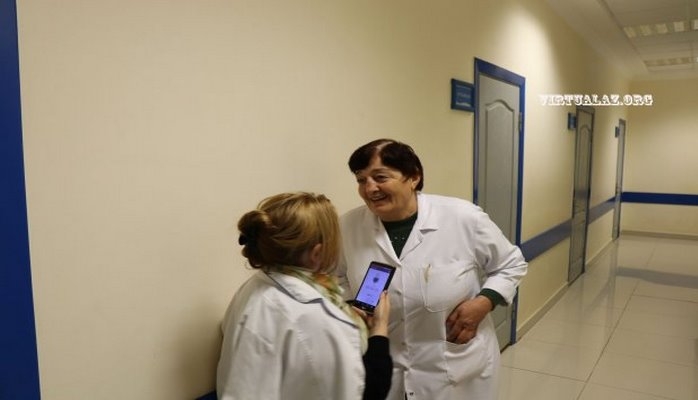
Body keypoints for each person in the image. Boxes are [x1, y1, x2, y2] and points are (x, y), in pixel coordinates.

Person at [337, 139, 528, 400]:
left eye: (380, 177)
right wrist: (351, 304)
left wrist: (484, 302)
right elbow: (337, 275)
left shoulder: (462, 217)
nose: (369, 188)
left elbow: (511, 264)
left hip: (454, 368)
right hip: (387, 367)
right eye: (361, 180)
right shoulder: (348, 226)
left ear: (413, 177)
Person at [216, 192, 392, 400]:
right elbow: (368, 391)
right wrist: (379, 329)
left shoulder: (256, 286)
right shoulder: (310, 316)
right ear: (317, 253)